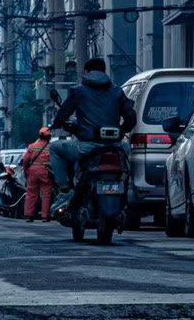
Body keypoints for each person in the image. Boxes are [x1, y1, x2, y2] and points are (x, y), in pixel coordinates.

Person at [49, 57, 136, 213]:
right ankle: (127, 193)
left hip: (87, 147)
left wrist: (57, 123)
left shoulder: (78, 91)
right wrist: (122, 131)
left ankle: (64, 192)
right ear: (104, 71)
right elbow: (131, 117)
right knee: (128, 160)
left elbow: (64, 113)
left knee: (55, 148)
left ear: (86, 72)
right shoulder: (117, 91)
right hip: (115, 146)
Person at [23, 127, 56, 222]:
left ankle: (29, 215)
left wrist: (26, 171)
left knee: (31, 193)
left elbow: (26, 160)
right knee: (46, 193)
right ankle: (45, 216)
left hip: (32, 171)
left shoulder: (32, 146)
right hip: (45, 171)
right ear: (49, 137)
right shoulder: (51, 147)